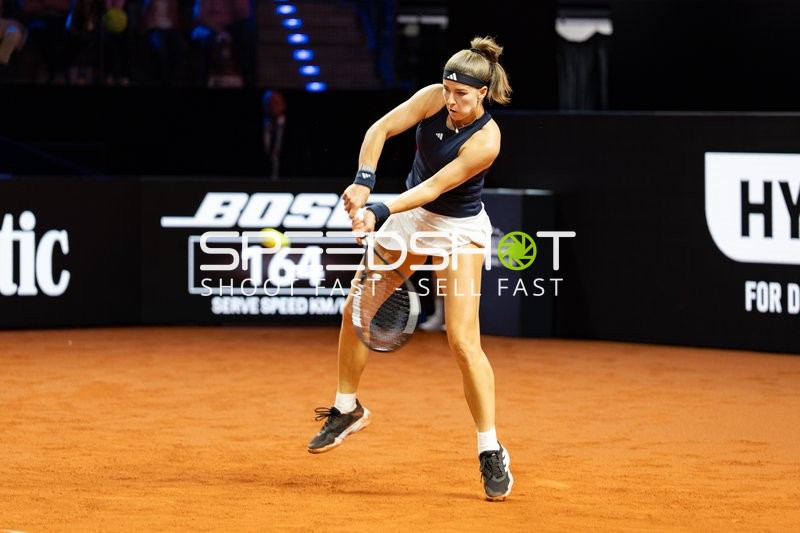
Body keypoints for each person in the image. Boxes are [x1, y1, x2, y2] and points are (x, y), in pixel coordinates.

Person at [307, 36, 514, 501]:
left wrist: (378, 210)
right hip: (410, 216)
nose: (451, 100)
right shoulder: (431, 98)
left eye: (462, 94)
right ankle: (347, 408)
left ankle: (490, 448)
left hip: (456, 228)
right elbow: (379, 129)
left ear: (482, 93)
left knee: (462, 341)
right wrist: (363, 182)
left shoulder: (486, 140)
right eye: (447, 89)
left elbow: (436, 187)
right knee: (356, 310)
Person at [261, 89, 286, 180]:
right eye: (269, 103)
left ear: (283, 105)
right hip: (261, 181)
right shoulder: (261, 127)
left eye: (276, 102)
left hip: (288, 181)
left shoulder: (298, 131)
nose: (273, 106)